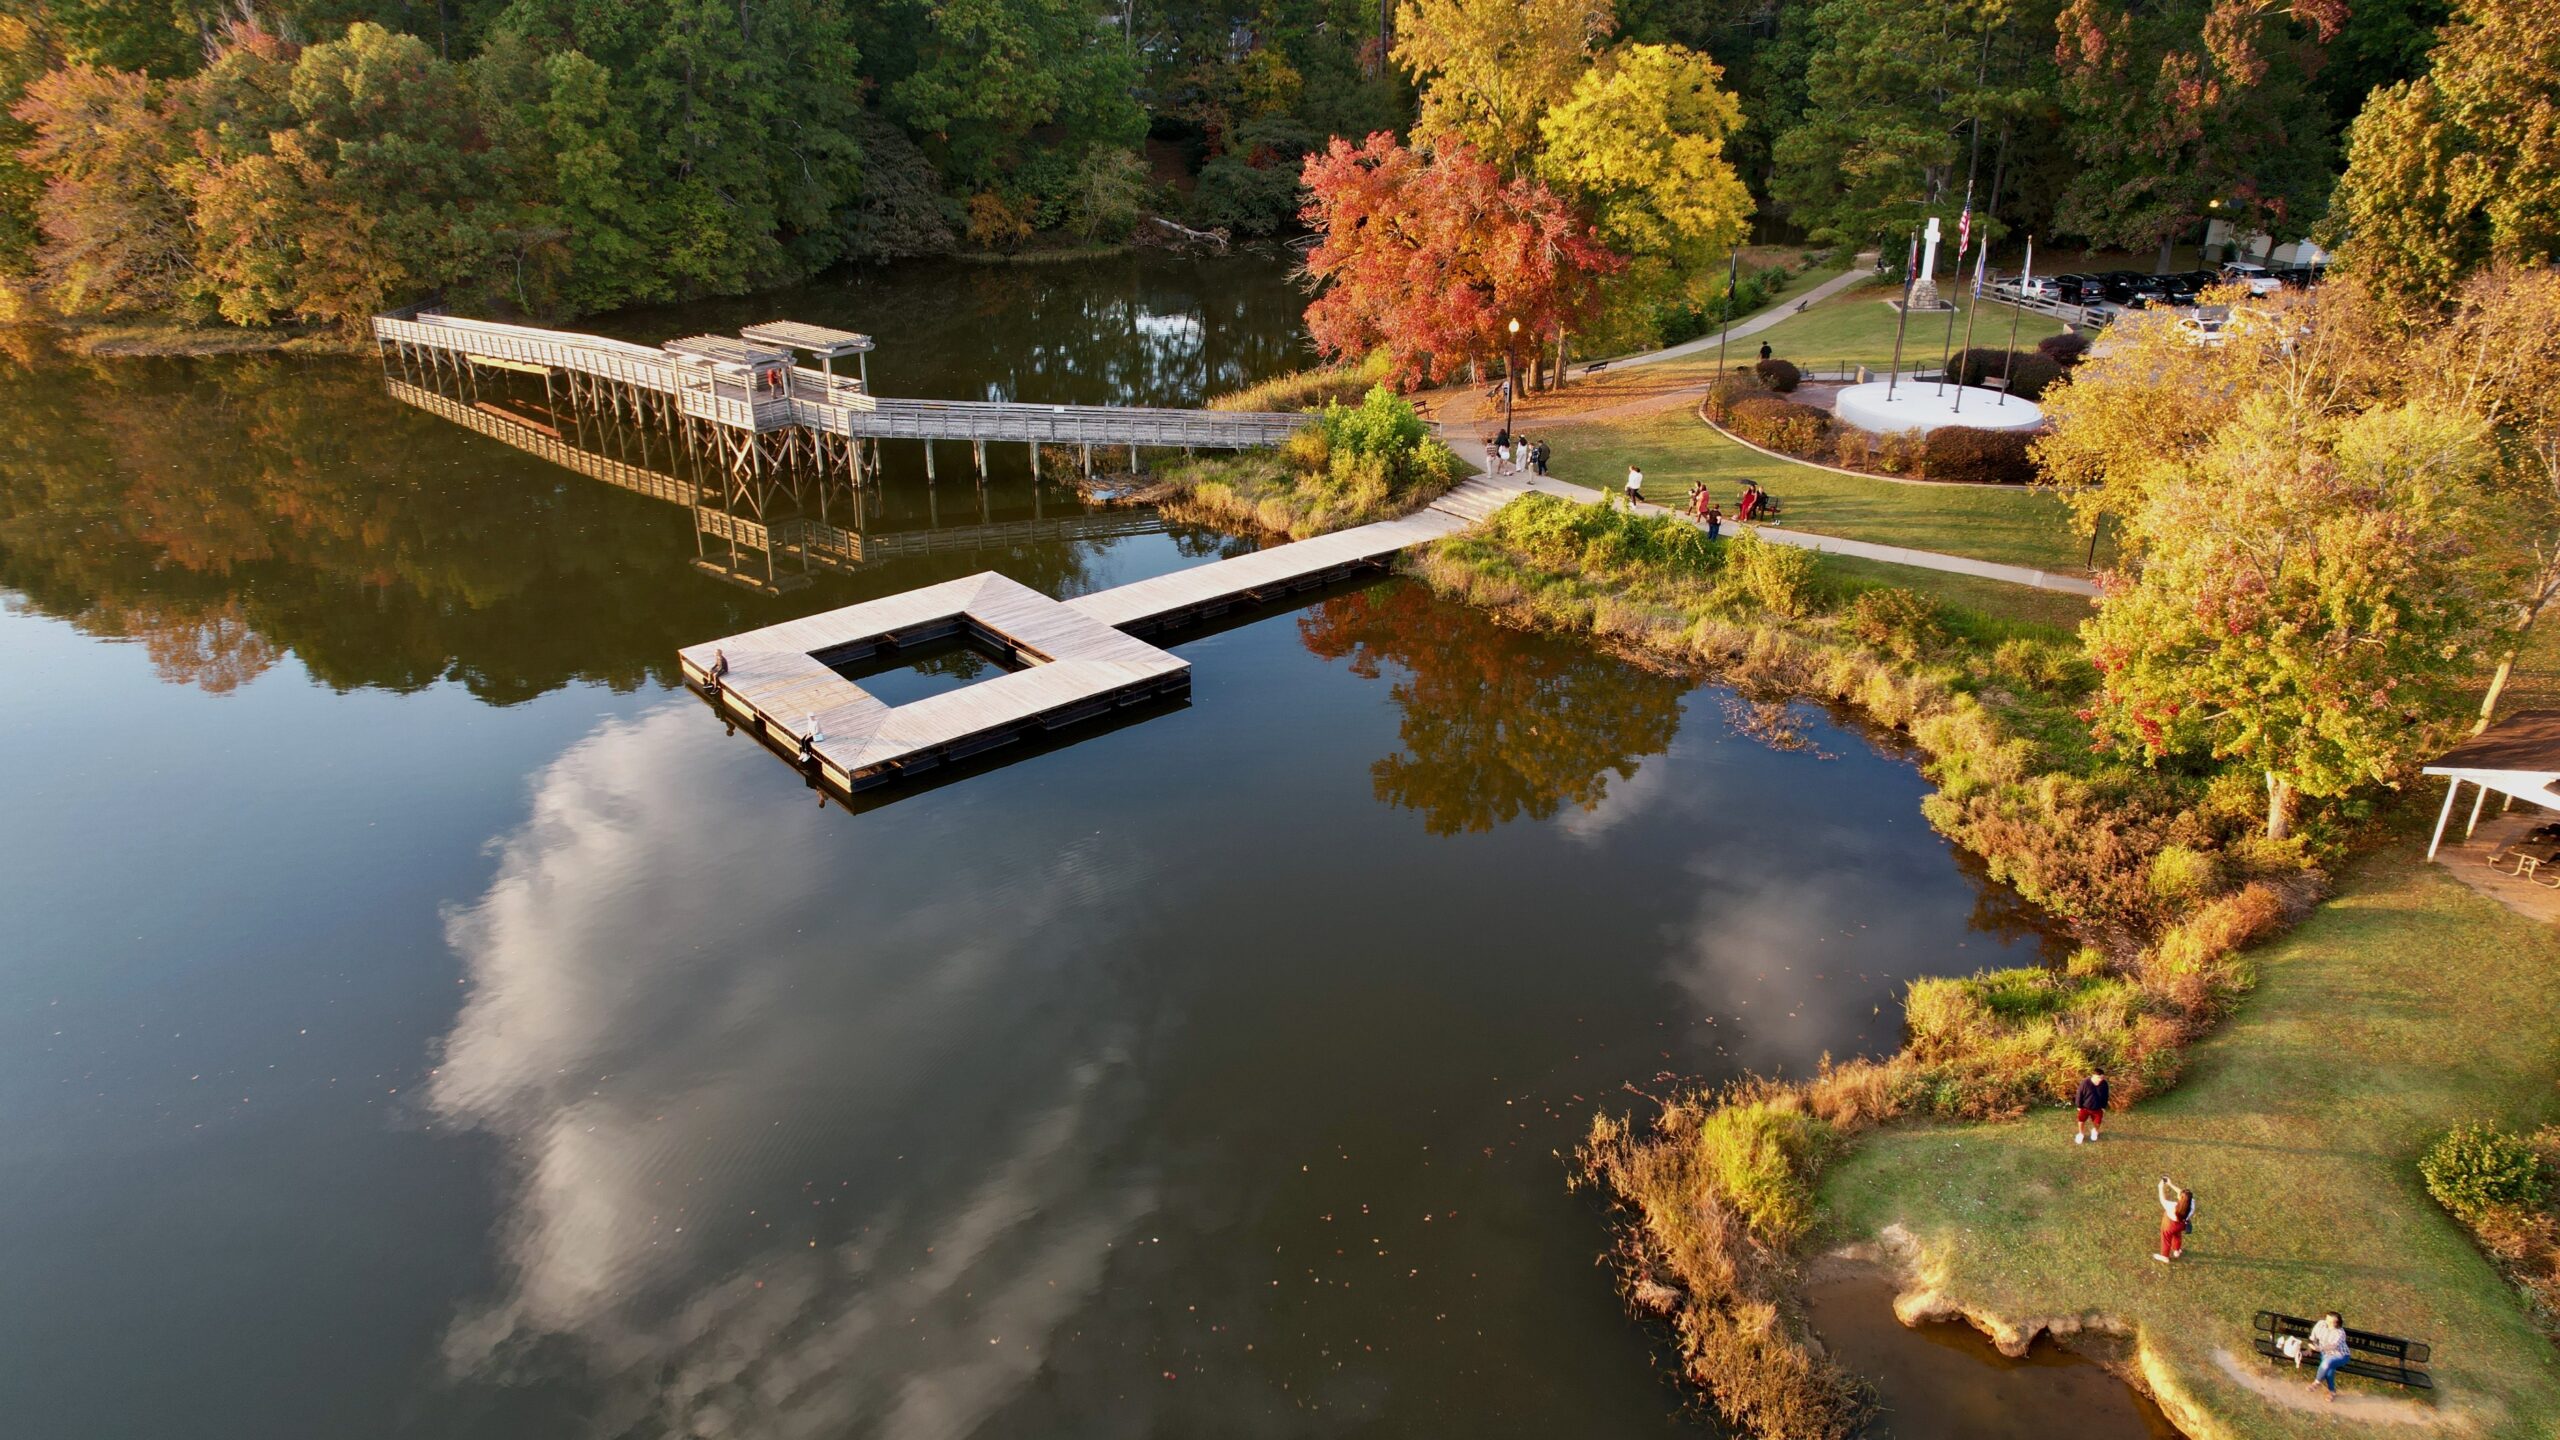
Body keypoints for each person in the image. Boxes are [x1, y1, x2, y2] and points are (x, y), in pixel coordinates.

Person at [2308, 1312, 2350, 1399]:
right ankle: (2332, 1392)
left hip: (2340, 1355)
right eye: (2327, 1319)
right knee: (2329, 1369)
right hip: (2326, 1353)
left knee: (2327, 1363)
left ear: (2336, 1323)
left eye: (2330, 1321)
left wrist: (2319, 1349)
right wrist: (2310, 1349)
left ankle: (2317, 1382)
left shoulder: (2340, 1333)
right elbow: (2313, 1338)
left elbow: (2332, 1346)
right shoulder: (2320, 1324)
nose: (2326, 1322)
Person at [2155, 1178, 2195, 1262]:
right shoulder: (2192, 1204)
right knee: (2177, 1235)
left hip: (2169, 1224)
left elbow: (2162, 1199)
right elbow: (2184, 1195)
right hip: (2182, 1224)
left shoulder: (2172, 1206)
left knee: (2166, 1238)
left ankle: (2165, 1256)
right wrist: (2171, 1184)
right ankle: (2177, 1250)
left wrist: (2160, 1187)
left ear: (2180, 1198)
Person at [2074, 1068, 2109, 1144]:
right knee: (2081, 1121)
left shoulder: (2104, 1084)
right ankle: (2081, 1134)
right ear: (2093, 1076)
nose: (2101, 1079)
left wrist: (2103, 1106)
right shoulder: (2085, 1082)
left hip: (2097, 1108)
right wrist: (2079, 1106)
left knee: (2097, 1122)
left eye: (2102, 1077)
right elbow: (2079, 1094)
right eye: (2099, 1078)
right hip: (2084, 1108)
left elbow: (2106, 1096)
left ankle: (2095, 1131)